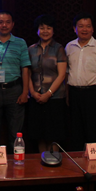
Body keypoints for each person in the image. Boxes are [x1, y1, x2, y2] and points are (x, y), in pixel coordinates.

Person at [66, 12, 96, 150]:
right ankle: (77, 161)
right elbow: (66, 73)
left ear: (93, 29)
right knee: (76, 133)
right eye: (81, 26)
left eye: (88, 26)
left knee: (94, 132)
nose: (85, 29)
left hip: (94, 95)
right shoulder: (69, 47)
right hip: (75, 94)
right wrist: (67, 95)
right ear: (74, 28)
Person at [0, 11, 30, 149]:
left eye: (8, 22)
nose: (4, 25)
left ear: (13, 24)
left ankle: (16, 161)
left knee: (15, 133)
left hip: (14, 90)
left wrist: (25, 92)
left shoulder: (20, 43)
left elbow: (25, 68)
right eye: (1, 22)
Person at [27, 14, 68, 153]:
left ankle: (54, 162)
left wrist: (48, 94)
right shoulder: (31, 49)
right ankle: (42, 162)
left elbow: (62, 75)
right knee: (39, 135)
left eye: (48, 28)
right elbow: (28, 74)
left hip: (55, 98)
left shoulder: (59, 49)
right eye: (42, 28)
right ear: (37, 30)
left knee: (53, 135)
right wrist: (33, 93)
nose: (45, 31)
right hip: (36, 98)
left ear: (53, 30)